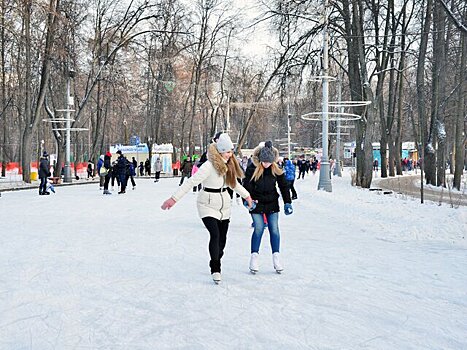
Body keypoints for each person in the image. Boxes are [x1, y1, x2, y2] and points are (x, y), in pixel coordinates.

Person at [161, 133, 254, 284]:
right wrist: (173, 199)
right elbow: (190, 182)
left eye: (231, 151)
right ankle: (215, 268)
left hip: (224, 206)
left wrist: (247, 196)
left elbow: (234, 184)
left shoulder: (229, 165)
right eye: (227, 151)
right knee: (215, 235)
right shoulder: (208, 166)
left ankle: (216, 257)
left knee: (222, 241)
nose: (230, 154)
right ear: (220, 151)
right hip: (207, 205)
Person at [242, 141, 293, 274]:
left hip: (272, 204)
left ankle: (276, 257)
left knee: (274, 229)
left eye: (269, 162)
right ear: (260, 160)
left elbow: (284, 186)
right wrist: (247, 200)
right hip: (256, 204)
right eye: (264, 162)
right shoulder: (252, 169)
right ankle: (254, 257)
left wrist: (288, 202)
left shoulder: (275, 169)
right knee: (258, 228)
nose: (266, 164)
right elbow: (246, 186)